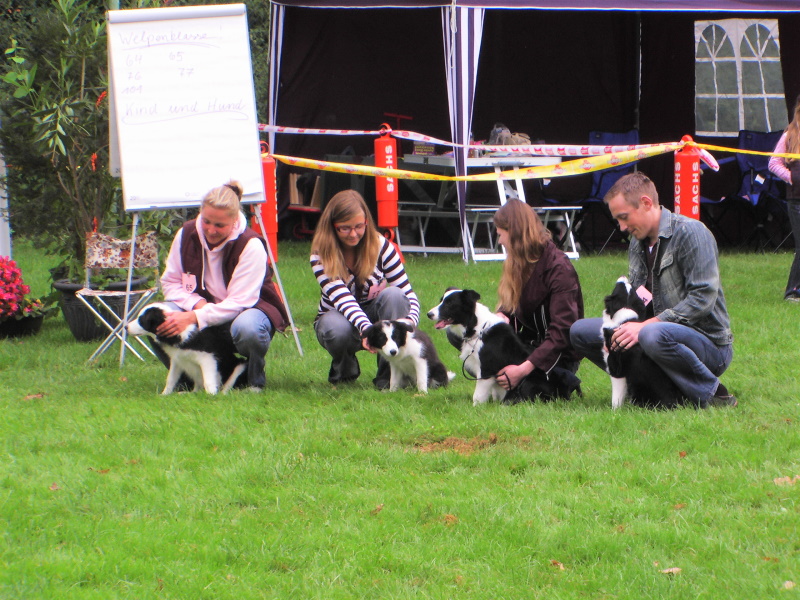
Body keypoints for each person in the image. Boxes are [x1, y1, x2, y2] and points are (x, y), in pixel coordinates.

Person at [569, 171, 736, 408]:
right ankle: (652, 387)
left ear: (646, 203)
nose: (622, 227)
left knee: (651, 334)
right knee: (580, 331)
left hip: (708, 345)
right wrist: (616, 331)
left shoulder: (692, 233)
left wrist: (645, 326)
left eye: (624, 217)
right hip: (656, 339)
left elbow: (702, 299)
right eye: (618, 220)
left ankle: (713, 393)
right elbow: (639, 298)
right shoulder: (637, 244)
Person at [157, 180, 288, 391]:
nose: (210, 230)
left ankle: (252, 376)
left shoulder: (251, 245)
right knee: (160, 317)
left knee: (249, 328)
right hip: (203, 310)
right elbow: (170, 282)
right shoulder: (185, 234)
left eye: (220, 225)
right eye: (207, 221)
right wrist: (197, 304)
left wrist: (194, 317)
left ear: (235, 220)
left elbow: (239, 302)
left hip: (244, 312)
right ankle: (188, 380)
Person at [310, 189, 420, 387]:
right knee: (336, 329)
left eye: (359, 226)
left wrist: (409, 322)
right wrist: (367, 330)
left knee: (395, 296)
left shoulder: (382, 246)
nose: (353, 234)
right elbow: (343, 300)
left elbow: (407, 293)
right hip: (338, 314)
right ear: (332, 227)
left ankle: (388, 376)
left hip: (376, 316)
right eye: (344, 228)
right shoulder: (320, 253)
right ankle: (345, 368)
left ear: (367, 223)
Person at [489, 200, 584, 394]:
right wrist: (501, 317)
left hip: (557, 354)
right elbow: (511, 306)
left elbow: (562, 332)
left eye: (501, 235)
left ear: (515, 234)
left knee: (528, 391)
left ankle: (549, 379)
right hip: (527, 344)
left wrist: (522, 370)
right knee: (463, 332)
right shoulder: (517, 262)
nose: (500, 242)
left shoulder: (559, 269)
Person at [768, 94, 800, 301]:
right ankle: (792, 291)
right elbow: (773, 163)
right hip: (797, 200)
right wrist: (793, 178)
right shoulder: (791, 134)